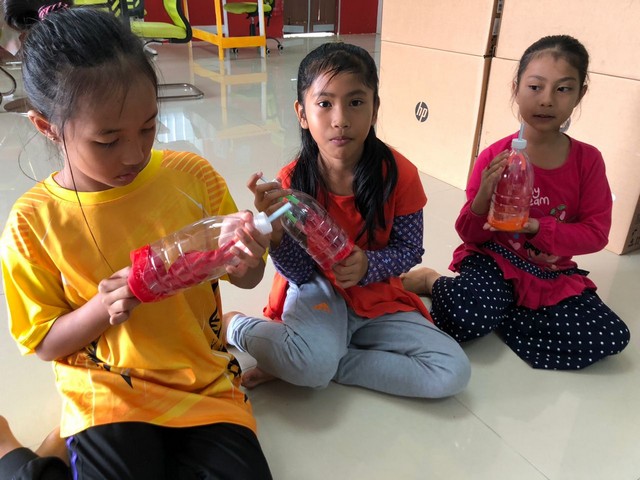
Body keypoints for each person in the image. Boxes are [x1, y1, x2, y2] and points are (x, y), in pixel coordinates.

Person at [0, 1, 273, 478]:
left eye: (148, 127)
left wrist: (251, 258)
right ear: (47, 127)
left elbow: (245, 279)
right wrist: (100, 308)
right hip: (107, 390)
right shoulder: (32, 222)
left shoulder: (193, 176)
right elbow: (44, 341)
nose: (134, 153)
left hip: (203, 383)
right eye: (107, 141)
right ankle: (12, 449)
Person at [223, 42, 471, 398]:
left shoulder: (400, 175)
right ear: (302, 114)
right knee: (311, 362)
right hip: (317, 292)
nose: (340, 119)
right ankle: (238, 327)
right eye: (325, 104)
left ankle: (313, 359)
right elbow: (299, 274)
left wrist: (368, 265)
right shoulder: (291, 183)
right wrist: (276, 238)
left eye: (355, 102)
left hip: (376, 294)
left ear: (374, 109)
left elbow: (409, 249)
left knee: (451, 371)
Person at [402, 35, 630, 370]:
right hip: (494, 260)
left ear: (580, 94)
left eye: (563, 89)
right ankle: (431, 281)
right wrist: (483, 197)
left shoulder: (588, 160)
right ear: (516, 88)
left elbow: (596, 234)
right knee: (464, 318)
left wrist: (537, 227)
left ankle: (497, 312)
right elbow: (469, 234)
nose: (547, 100)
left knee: (611, 336)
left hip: (548, 272)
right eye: (535, 87)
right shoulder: (495, 156)